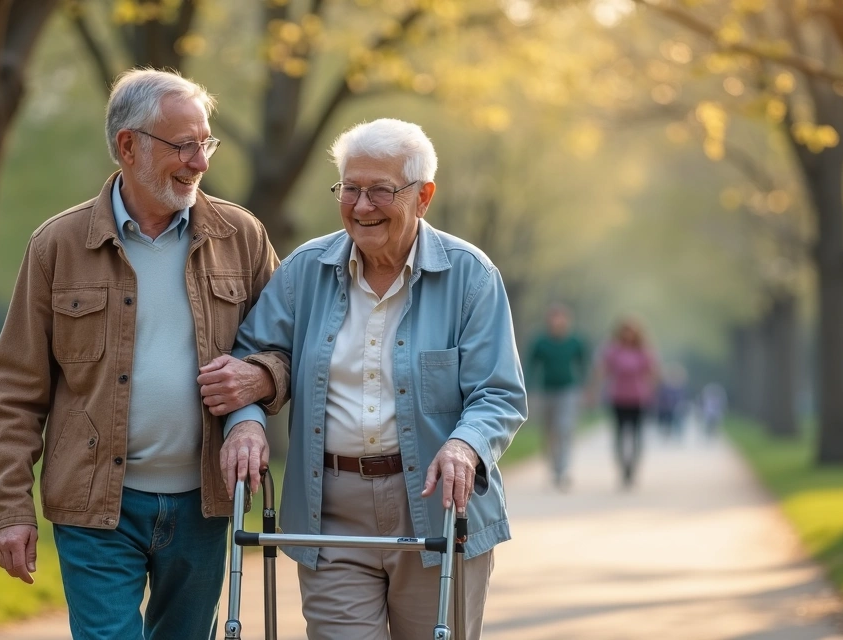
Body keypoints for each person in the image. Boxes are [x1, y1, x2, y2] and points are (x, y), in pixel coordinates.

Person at [0, 68, 285, 640]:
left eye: (207, 143)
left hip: (203, 506)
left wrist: (260, 380)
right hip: (95, 506)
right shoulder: (57, 245)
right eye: (185, 145)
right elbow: (15, 391)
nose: (201, 162)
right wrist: (11, 510)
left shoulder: (241, 236)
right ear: (128, 146)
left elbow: (285, 344)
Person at [211, 118, 527, 640]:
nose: (361, 206)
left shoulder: (471, 276)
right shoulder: (305, 270)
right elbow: (249, 360)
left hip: (436, 506)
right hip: (330, 510)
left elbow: (498, 394)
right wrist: (245, 424)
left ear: (423, 196)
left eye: (380, 190)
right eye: (350, 189)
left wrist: (464, 446)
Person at [524, 304, 589, 490]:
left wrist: (585, 387)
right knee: (549, 431)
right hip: (546, 391)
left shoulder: (575, 341)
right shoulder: (541, 342)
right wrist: (528, 388)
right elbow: (530, 365)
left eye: (561, 318)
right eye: (554, 318)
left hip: (568, 390)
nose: (557, 322)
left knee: (564, 429)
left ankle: (563, 469)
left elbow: (583, 364)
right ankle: (553, 467)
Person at [593, 317, 659, 489]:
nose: (628, 334)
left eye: (632, 331)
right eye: (625, 330)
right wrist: (595, 388)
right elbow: (602, 370)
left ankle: (633, 468)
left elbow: (653, 372)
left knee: (637, 436)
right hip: (618, 397)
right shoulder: (613, 350)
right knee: (619, 435)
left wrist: (653, 389)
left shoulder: (643, 351)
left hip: (638, 398)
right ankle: (622, 468)